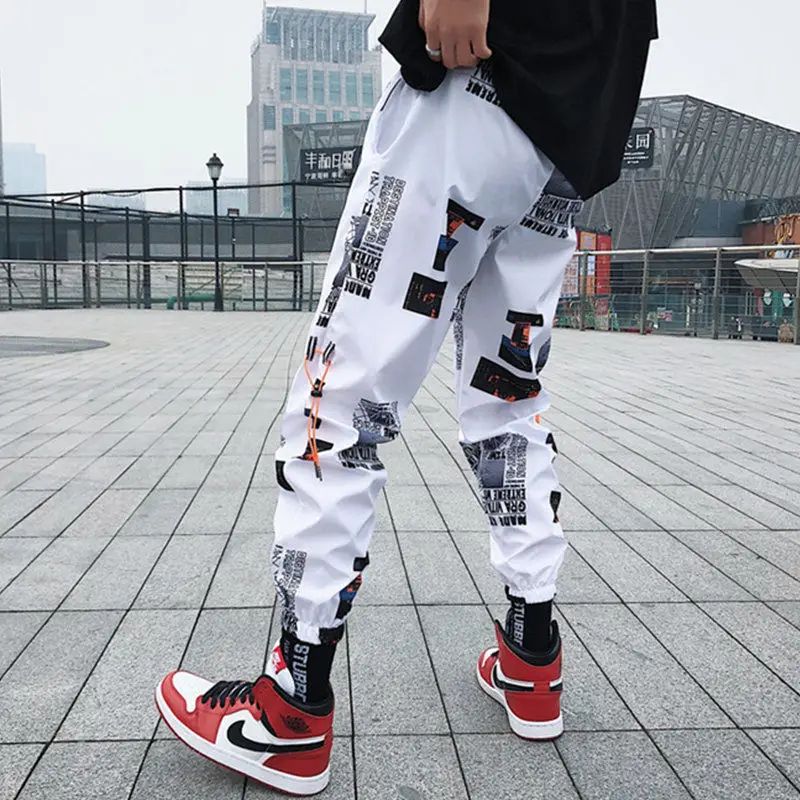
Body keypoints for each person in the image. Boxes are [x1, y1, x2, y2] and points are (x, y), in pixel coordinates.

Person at [155, 0, 657, 794]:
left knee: (339, 397)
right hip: (574, 116)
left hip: (480, 79)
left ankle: (290, 710)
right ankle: (532, 656)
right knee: (509, 398)